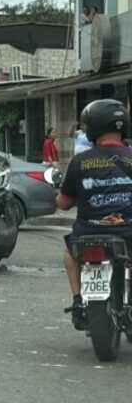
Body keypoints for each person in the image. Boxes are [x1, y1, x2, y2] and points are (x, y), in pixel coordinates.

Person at [57, 99, 132, 330]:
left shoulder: (80, 161)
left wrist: (58, 197)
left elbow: (64, 202)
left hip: (87, 233)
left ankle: (78, 301)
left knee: (70, 254)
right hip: (127, 231)